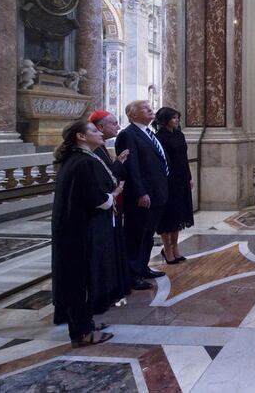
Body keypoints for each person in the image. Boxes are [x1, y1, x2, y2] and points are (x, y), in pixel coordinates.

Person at [52, 120, 124, 347]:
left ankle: (86, 323)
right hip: (79, 232)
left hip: (80, 229)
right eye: (94, 130)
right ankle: (81, 333)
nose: (99, 132)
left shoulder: (83, 159)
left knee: (85, 278)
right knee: (79, 281)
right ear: (81, 137)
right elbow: (95, 198)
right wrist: (113, 195)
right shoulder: (82, 162)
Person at [115, 100, 169, 290]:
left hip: (156, 192)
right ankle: (133, 274)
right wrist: (140, 192)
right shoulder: (127, 135)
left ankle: (143, 267)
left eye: (149, 107)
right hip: (142, 195)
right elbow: (132, 167)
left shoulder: (147, 132)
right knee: (136, 234)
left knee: (147, 234)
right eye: (145, 108)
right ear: (133, 114)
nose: (150, 110)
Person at [89, 110, 131, 305]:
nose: (118, 127)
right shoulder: (93, 153)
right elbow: (105, 179)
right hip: (101, 210)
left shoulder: (100, 148)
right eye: (114, 123)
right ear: (100, 127)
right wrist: (119, 164)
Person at [152, 107, 194, 264]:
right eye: (174, 118)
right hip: (168, 179)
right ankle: (167, 248)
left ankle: (175, 247)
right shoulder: (159, 137)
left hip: (182, 178)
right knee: (168, 215)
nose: (177, 120)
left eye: (178, 117)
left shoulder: (179, 134)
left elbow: (184, 157)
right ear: (165, 120)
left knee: (178, 214)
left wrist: (189, 177)